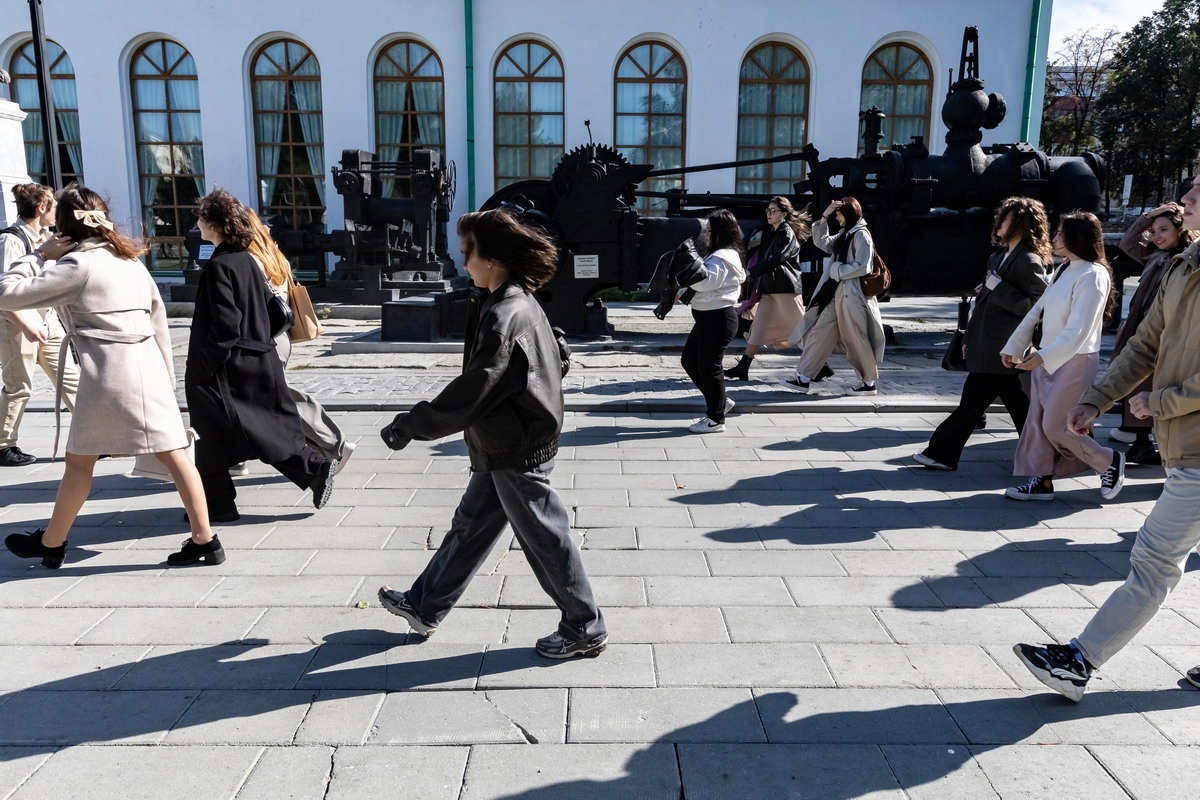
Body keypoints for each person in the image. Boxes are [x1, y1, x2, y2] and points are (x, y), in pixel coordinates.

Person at [377, 208, 607, 659]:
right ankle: (426, 605)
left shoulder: (507, 309)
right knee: (470, 526)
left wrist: (413, 424)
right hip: (503, 441)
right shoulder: (509, 298)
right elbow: (554, 358)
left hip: (516, 446)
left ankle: (585, 626)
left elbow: (475, 386)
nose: (463, 263)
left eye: (468, 253)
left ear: (493, 258)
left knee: (545, 535)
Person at [1013, 174, 1200, 701]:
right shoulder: (1185, 264)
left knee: (1155, 560)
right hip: (1186, 437)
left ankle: (1079, 661)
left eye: (1197, 192)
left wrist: (1159, 402)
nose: (1184, 200)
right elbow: (1146, 343)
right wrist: (1098, 398)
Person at [0, 185, 221, 568]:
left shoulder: (78, 265)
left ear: (65, 228)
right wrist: (166, 381)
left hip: (109, 375)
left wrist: (39, 255)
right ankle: (205, 539)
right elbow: (158, 322)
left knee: (80, 462)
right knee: (176, 455)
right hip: (147, 366)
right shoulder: (129, 260)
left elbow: (6, 293)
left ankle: (52, 544)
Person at [184, 189, 335, 522]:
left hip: (226, 367)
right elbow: (268, 312)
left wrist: (204, 364)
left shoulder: (220, 265)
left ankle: (312, 468)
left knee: (235, 433)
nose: (197, 223)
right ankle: (218, 504)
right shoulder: (245, 259)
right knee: (234, 433)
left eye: (201, 218)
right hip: (254, 356)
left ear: (213, 223)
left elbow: (226, 324)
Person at [913, 197, 1051, 470]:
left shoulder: (1028, 260)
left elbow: (1037, 305)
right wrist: (969, 337)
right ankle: (1045, 454)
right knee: (1016, 405)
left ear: (1021, 224)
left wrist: (998, 287)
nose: (999, 223)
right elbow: (985, 305)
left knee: (972, 406)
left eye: (1007, 218)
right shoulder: (997, 256)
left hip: (1005, 346)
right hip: (989, 345)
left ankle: (941, 453)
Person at [998, 211, 1124, 502]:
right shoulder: (1066, 268)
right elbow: (1037, 311)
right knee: (1037, 423)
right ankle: (1040, 482)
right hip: (1049, 358)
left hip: (1075, 361)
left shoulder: (1094, 274)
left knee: (1057, 425)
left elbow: (1079, 329)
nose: (1053, 238)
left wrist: (1042, 356)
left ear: (1075, 237)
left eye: (1059, 234)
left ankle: (1107, 461)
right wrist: (1014, 346)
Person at [240, 212, 355, 473]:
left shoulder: (252, 260)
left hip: (266, 336)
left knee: (279, 397)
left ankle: (333, 444)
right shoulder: (273, 256)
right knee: (261, 396)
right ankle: (234, 456)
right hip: (278, 335)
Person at [1111, 203, 1196, 465]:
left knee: (1149, 387)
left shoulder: (1184, 262)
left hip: (1162, 336)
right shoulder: (1153, 255)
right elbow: (1127, 243)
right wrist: (1147, 217)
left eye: (1164, 229)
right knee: (1135, 384)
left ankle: (1144, 442)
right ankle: (1141, 442)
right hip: (1140, 331)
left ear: (1180, 230)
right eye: (1153, 230)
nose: (1157, 235)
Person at [0, 183, 79, 466]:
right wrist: (25, 324)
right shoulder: (12, 240)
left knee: (71, 379)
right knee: (18, 385)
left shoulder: (47, 237)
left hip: (47, 320)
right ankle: (3, 444)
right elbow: (3, 293)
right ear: (41, 208)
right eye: (54, 206)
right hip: (17, 323)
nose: (57, 211)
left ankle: (95, 434)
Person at [783, 196, 885, 394]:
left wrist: (837, 269)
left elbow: (865, 266)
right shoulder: (846, 233)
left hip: (850, 296)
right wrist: (824, 216)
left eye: (838, 214)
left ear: (847, 213)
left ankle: (868, 383)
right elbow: (822, 243)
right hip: (835, 294)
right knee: (818, 334)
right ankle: (803, 378)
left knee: (856, 337)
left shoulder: (861, 235)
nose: (837, 218)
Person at [723, 196, 809, 381]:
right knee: (759, 328)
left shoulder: (786, 233)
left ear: (784, 214)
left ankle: (821, 365)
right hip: (771, 288)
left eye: (773, 211)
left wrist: (750, 272)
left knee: (801, 329)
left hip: (786, 289)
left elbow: (775, 260)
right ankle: (743, 367)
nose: (769, 214)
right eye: (767, 211)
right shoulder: (774, 231)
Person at [681, 209, 746, 434]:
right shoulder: (719, 254)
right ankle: (720, 401)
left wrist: (687, 276)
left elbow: (704, 282)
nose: (706, 234)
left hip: (717, 318)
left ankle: (715, 418)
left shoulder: (723, 257)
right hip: (709, 317)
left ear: (720, 232)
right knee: (690, 361)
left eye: (709, 230)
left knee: (710, 368)